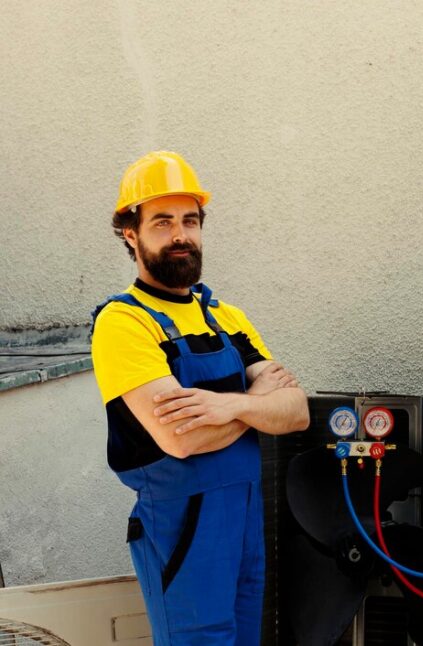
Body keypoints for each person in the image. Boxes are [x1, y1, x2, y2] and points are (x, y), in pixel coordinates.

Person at [90, 151, 310, 645]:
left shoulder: (225, 316)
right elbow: (181, 438)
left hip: (245, 521)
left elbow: (295, 413)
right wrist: (258, 405)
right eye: (162, 222)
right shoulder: (124, 323)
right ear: (131, 233)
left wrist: (231, 406)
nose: (179, 235)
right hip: (181, 530)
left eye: (189, 220)